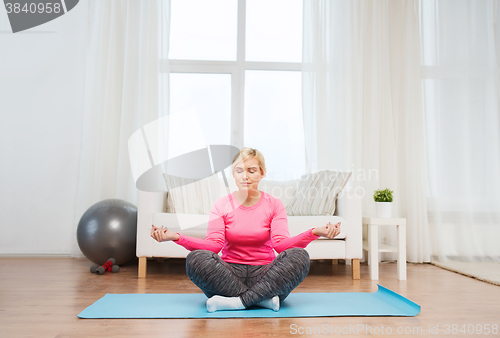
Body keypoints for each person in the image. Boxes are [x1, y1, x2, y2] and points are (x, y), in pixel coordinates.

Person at [151, 147, 341, 312]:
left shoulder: (274, 205)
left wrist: (314, 232)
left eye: (251, 170)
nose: (245, 176)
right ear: (233, 174)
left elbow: (281, 245)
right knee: (195, 258)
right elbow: (213, 246)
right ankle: (261, 301)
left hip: (267, 275)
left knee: (300, 256)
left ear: (262, 173)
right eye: (239, 170)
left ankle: (238, 302)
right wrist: (176, 237)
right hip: (228, 275)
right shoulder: (221, 205)